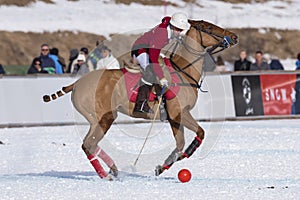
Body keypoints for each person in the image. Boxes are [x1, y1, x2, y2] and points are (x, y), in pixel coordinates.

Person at [131, 12, 190, 114]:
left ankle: (162, 102)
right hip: (140, 49)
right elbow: (153, 59)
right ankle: (140, 104)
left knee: (166, 64)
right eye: (178, 29)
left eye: (181, 30)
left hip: (149, 48)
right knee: (151, 71)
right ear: (172, 26)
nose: (179, 32)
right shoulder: (161, 34)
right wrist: (161, 77)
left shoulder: (169, 27)